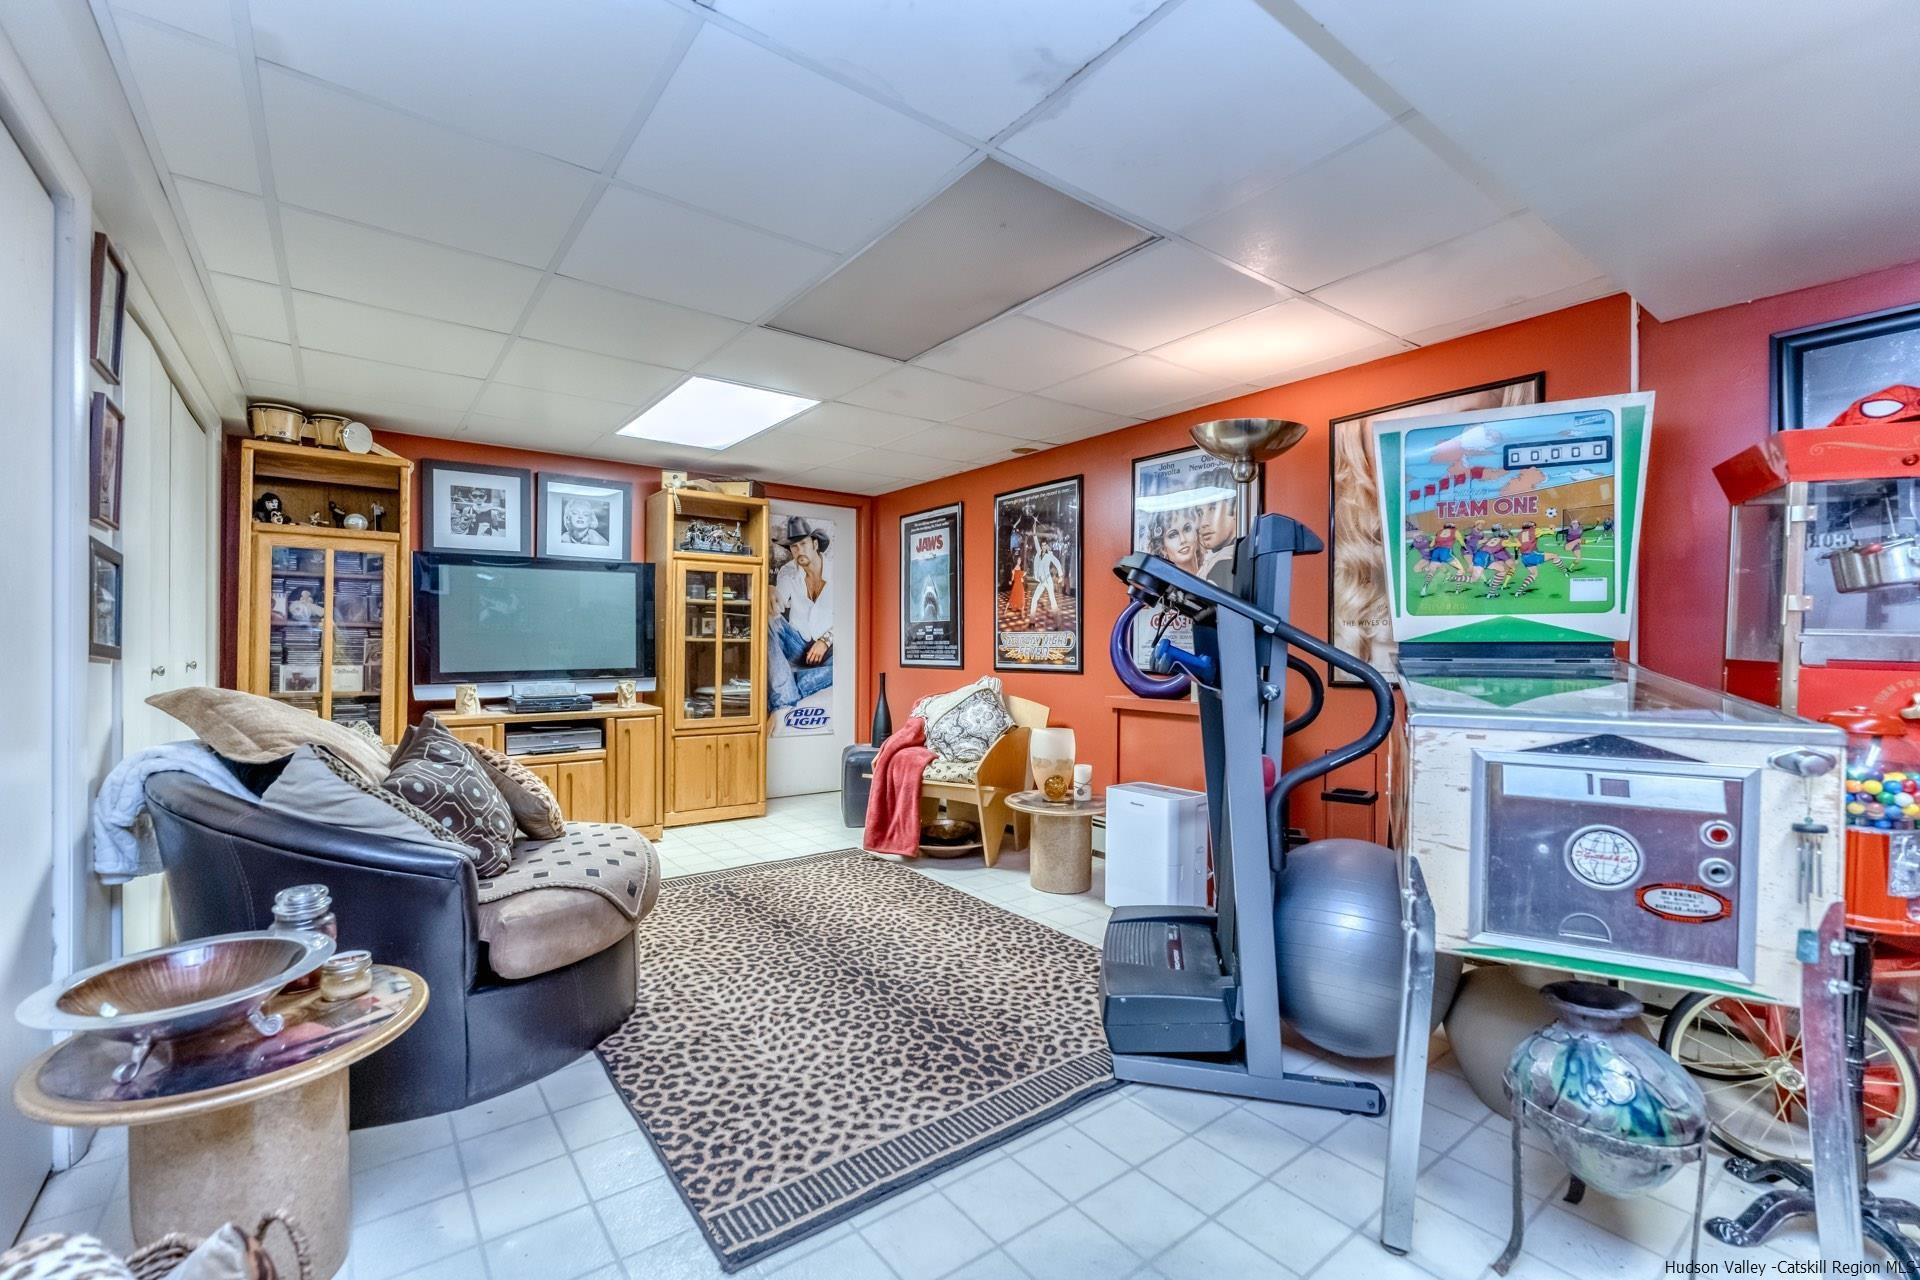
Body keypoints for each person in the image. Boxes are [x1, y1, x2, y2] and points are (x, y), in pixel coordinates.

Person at [768, 516, 833, 710]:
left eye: (803, 544)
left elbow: (849, 616)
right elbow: (778, 603)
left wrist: (825, 640)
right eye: (794, 547)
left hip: (829, 650)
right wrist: (770, 589)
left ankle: (788, 685)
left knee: (847, 667)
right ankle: (785, 699)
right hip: (796, 644)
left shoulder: (838, 571)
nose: (799, 551)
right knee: (769, 621)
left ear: (815, 544)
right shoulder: (788, 571)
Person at [1028, 536, 1063, 620]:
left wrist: (1060, 575)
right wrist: (1035, 534)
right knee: (1034, 599)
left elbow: (1057, 563)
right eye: (1042, 545)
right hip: (1041, 582)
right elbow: (1036, 542)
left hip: (1048, 581)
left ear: (1047, 546)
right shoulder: (1038, 554)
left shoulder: (1049, 555)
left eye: (1045, 545)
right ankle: (1032, 620)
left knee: (1052, 600)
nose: (1043, 547)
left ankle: (1057, 620)